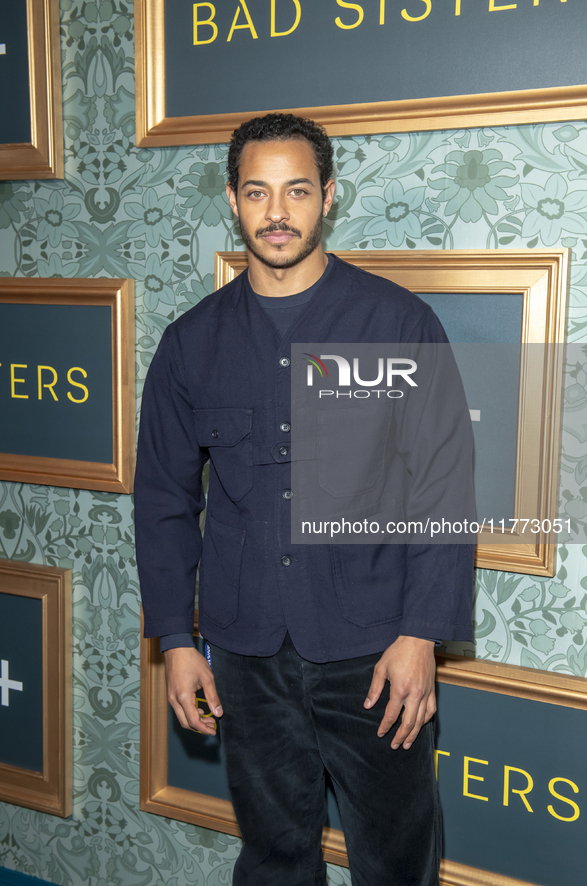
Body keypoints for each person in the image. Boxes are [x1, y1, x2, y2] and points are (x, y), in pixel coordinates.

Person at [134, 113, 474, 886]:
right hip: (246, 650)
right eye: (257, 192)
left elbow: (442, 486)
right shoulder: (190, 343)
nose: (276, 212)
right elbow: (161, 498)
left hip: (375, 646)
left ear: (328, 197)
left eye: (296, 190)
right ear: (232, 201)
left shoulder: (396, 323)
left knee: (394, 860)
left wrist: (421, 634)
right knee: (274, 856)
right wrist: (175, 641)